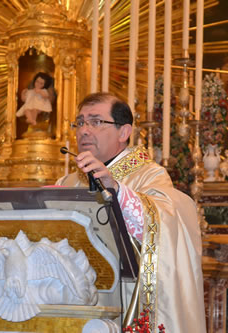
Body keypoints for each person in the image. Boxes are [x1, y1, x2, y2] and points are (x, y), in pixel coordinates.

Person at [56, 92, 206, 332]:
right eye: (80, 122)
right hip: (77, 303)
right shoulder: (67, 182)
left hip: (124, 303)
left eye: (95, 122)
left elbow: (166, 221)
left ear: (124, 132)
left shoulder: (149, 175)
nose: (84, 130)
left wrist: (116, 190)